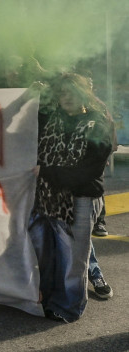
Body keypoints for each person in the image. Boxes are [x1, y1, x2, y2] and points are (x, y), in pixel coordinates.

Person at [30, 73, 112, 322]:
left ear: (83, 95)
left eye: (71, 93)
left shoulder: (98, 124)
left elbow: (89, 171)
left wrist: (48, 172)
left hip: (81, 199)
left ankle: (68, 307)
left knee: (74, 257)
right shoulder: (53, 120)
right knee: (52, 255)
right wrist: (31, 93)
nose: (66, 98)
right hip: (51, 198)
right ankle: (51, 298)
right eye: (62, 93)